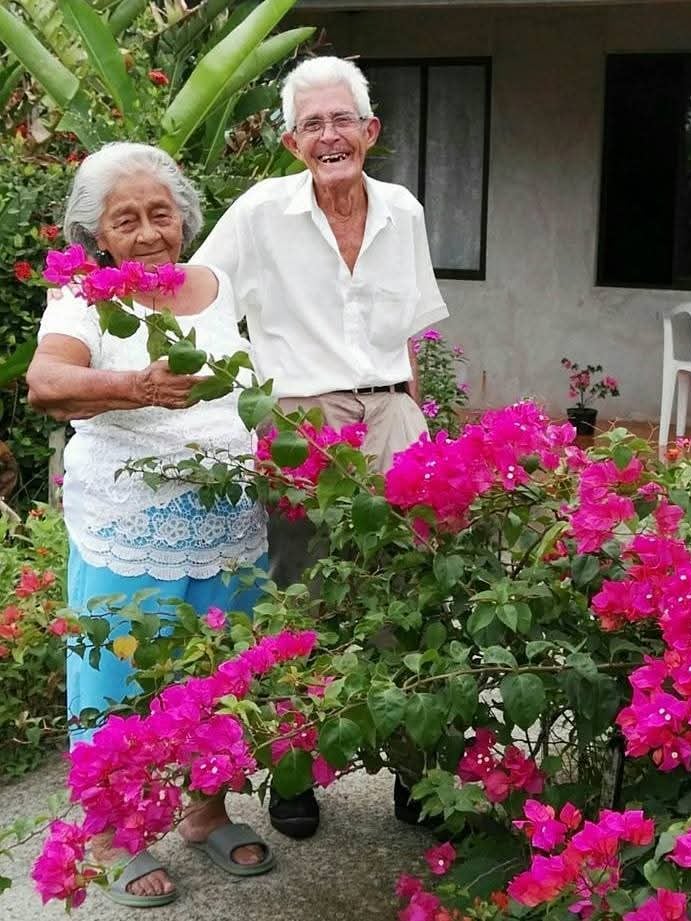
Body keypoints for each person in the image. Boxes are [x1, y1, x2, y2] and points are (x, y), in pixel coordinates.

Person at [191, 56, 449, 838]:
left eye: (343, 120)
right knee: (300, 591)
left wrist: (412, 416)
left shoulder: (403, 209)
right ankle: (296, 772)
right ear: (290, 140)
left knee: (413, 584)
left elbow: (406, 328)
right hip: (301, 415)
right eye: (313, 124)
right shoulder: (262, 212)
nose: (330, 135)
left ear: (370, 131)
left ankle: (417, 766)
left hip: (390, 408)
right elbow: (201, 293)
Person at [26, 142, 274, 907]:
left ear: (184, 218)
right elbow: (46, 383)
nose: (147, 232)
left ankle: (207, 809)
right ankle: (113, 831)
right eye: (124, 219)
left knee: (221, 672)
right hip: (130, 525)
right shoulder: (84, 296)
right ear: (97, 235)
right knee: (118, 678)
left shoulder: (216, 281)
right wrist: (136, 385)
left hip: (231, 519)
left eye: (159, 213)